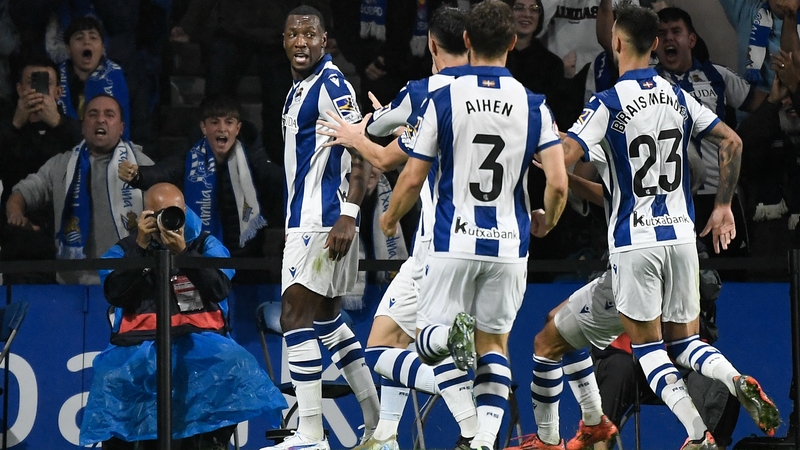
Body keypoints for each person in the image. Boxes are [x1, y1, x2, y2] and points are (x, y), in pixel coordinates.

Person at [561, 3, 779, 448]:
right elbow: (731, 140)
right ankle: (734, 378)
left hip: (635, 242)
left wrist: (538, 148)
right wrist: (721, 207)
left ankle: (697, 431)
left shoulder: (608, 103)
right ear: (656, 44)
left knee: (647, 351)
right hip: (681, 238)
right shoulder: (677, 96)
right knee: (686, 345)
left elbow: (566, 158)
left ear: (617, 43)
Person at [380, 1, 569, 449]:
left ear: (466, 41)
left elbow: (411, 175)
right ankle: (483, 441)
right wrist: (547, 220)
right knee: (494, 346)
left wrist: (390, 218)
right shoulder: (533, 103)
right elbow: (558, 183)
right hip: (509, 245)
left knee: (429, 343)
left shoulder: (442, 98)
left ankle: (450, 338)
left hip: (452, 240)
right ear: (511, 43)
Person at [318, 7, 480, 450]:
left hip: (437, 244)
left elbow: (384, 155)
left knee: (402, 351)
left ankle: (473, 429)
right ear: (470, 43)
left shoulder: (423, 93)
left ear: (431, 44)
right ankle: (386, 436)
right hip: (486, 241)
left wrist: (356, 136)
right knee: (386, 339)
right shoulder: (496, 94)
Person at [79, 182, 287, 449]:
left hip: (200, 338)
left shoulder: (206, 243)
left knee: (235, 363)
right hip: (137, 343)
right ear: (147, 215)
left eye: (176, 212)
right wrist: (141, 250)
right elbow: (116, 295)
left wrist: (184, 254)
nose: (170, 220)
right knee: (110, 375)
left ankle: (212, 442)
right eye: (161, 214)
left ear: (185, 209)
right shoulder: (124, 249)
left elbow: (220, 288)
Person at [261, 6, 380, 450]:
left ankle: (310, 433)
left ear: (324, 40)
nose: (301, 42)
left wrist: (349, 212)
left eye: (310, 34)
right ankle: (375, 424)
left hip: (323, 220)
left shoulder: (332, 84)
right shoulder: (297, 91)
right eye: (293, 33)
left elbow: (361, 147)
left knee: (294, 316)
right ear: (284, 39)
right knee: (328, 320)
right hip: (308, 220)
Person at [117, 95, 284, 271]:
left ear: (238, 128)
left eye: (229, 122)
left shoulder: (251, 151)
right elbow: (166, 170)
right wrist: (138, 175)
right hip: (201, 250)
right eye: (214, 122)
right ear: (203, 127)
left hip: (245, 253)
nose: (222, 129)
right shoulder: (191, 151)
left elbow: (272, 175)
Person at [5, 94, 152, 285]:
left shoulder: (143, 166)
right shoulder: (60, 164)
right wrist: (16, 214)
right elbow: (20, 193)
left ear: (121, 128)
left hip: (125, 286)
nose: (101, 119)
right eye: (93, 114)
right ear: (83, 127)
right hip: (70, 286)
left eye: (109, 114)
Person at [654, 7, 765, 257]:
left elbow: (760, 105)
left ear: (691, 40)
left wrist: (780, 94)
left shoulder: (717, 75)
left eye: (676, 31)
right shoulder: (649, 83)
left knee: (731, 272)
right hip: (672, 199)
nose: (669, 38)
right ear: (654, 43)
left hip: (720, 195)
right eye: (662, 33)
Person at [0, 54, 82, 283]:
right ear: (19, 89)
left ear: (58, 92)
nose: (37, 91)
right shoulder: (8, 129)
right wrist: (15, 124)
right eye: (31, 84)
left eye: (45, 84)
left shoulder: (73, 131)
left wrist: (58, 123)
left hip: (62, 229)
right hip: (14, 229)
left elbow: (90, 155)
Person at [57, 16, 152, 151]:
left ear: (102, 48)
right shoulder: (54, 81)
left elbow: (143, 133)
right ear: (68, 49)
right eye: (79, 38)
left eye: (93, 38)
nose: (86, 43)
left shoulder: (126, 82)